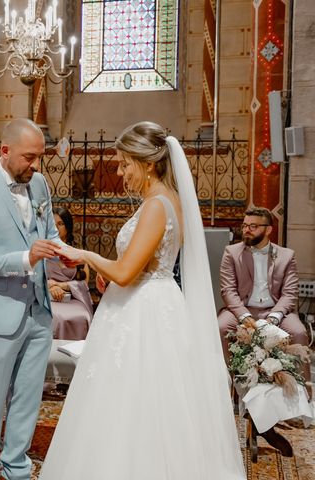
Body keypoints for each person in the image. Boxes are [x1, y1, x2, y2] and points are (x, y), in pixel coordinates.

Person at [40, 121, 245, 479]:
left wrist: (83, 253)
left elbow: (125, 272)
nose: (120, 173)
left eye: (124, 164)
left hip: (144, 314)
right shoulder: (169, 201)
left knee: (134, 400)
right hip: (152, 300)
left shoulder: (156, 206)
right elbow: (138, 269)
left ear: (148, 163)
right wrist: (109, 274)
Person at [0, 118, 63, 480]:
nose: (36, 166)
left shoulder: (39, 184)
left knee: (29, 395)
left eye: (39, 158)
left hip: (38, 309)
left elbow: (48, 233)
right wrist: (25, 259)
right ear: (5, 151)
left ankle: (16, 465)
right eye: (29, 157)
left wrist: (70, 254)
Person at [217, 206, 309, 456]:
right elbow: (228, 291)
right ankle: (229, 391)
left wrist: (274, 317)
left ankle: (296, 399)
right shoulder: (231, 252)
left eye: (252, 226)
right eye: (245, 225)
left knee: (299, 333)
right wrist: (246, 317)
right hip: (242, 311)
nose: (246, 230)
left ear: (269, 229)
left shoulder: (286, 255)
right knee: (221, 327)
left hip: (275, 311)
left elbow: (289, 294)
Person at [47, 207, 94, 340]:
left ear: (68, 227)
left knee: (81, 316)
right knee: (58, 317)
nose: (56, 228)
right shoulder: (42, 252)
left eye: (60, 224)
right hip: (48, 299)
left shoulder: (77, 253)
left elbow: (83, 284)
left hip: (73, 299)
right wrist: (51, 286)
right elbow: (31, 278)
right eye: (53, 224)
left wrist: (61, 286)